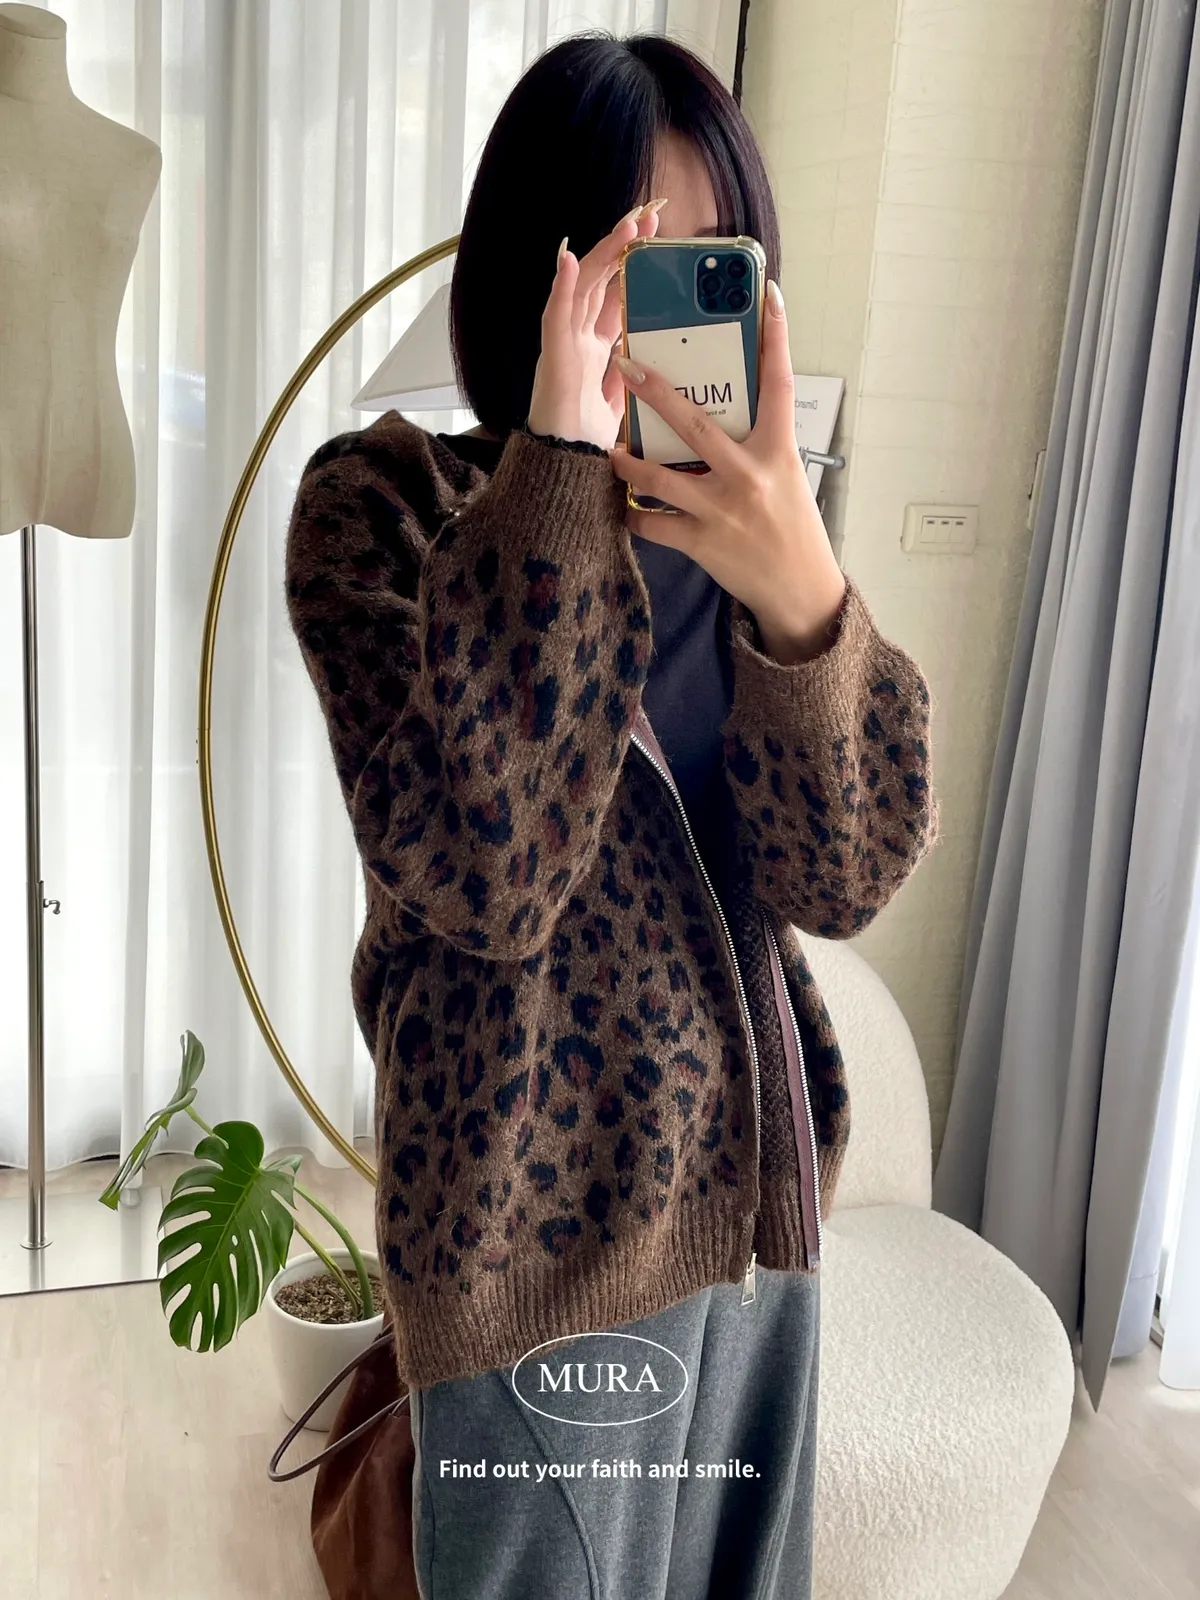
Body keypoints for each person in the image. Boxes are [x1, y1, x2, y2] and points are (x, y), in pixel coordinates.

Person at [285, 31, 938, 1600]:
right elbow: (490, 874)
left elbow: (846, 879)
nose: (669, 320)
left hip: (759, 1228)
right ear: (540, 270)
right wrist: (561, 478)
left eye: (713, 268)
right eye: (634, 263)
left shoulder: (759, 549)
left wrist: (806, 599)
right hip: (534, 1257)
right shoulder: (386, 507)